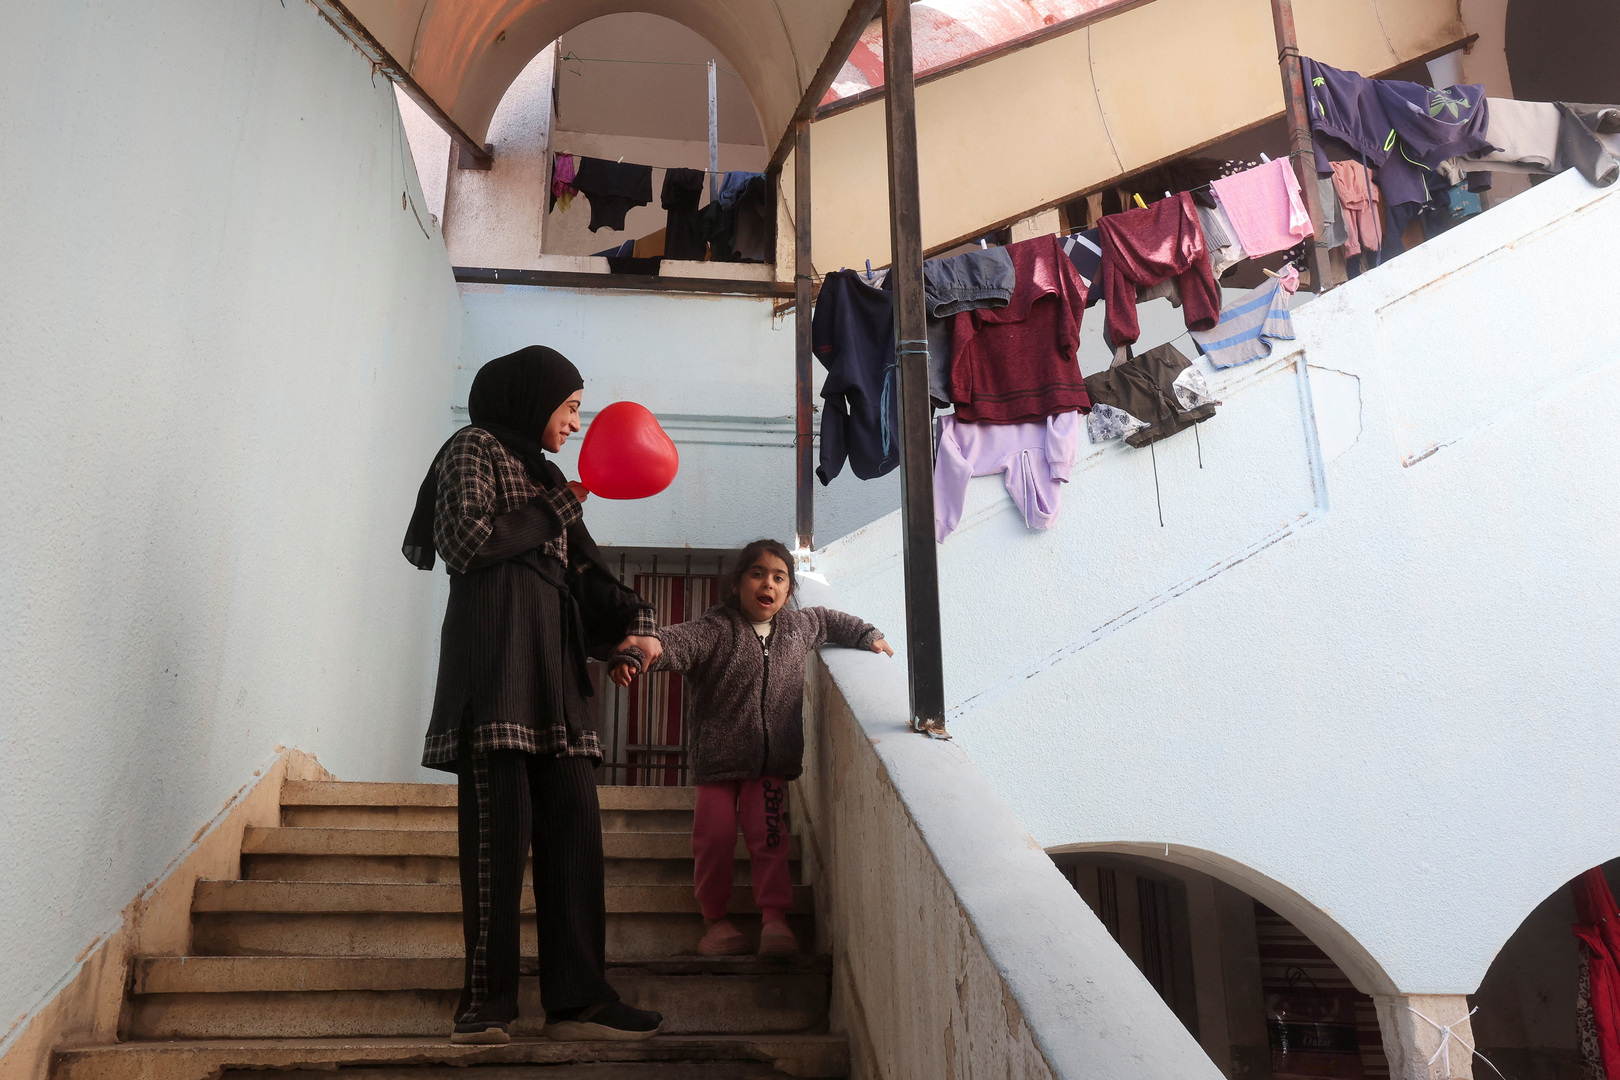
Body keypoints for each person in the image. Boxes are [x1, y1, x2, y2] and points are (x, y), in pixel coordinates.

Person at [401, 346, 666, 1044]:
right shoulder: (474, 450)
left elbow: (584, 582)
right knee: (495, 849)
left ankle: (579, 998)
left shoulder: (546, 478)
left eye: (580, 409)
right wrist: (554, 509)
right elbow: (466, 541)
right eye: (571, 407)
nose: (577, 423)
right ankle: (485, 1005)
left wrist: (633, 631)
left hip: (558, 695)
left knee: (576, 843)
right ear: (532, 398)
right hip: (494, 681)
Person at [610, 538, 892, 957]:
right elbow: (673, 642)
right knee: (714, 841)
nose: (768, 584)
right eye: (757, 574)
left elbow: (833, 621)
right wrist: (635, 652)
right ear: (738, 583)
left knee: (770, 841)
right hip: (718, 767)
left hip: (769, 766)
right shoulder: (715, 629)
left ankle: (775, 921)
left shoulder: (799, 627)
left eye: (779, 577)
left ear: (789, 589)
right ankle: (715, 922)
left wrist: (869, 636)